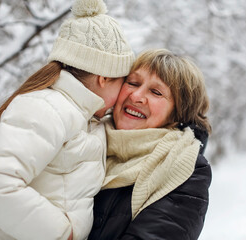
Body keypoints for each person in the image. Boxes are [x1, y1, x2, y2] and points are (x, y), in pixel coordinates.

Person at [0, 0, 134, 239]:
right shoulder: (46, 108)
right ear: (104, 78)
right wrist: (63, 234)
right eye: (124, 81)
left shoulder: (84, 117)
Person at [88, 49, 212, 240]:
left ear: (178, 112)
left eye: (156, 92)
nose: (136, 96)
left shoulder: (186, 168)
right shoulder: (81, 136)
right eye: (132, 83)